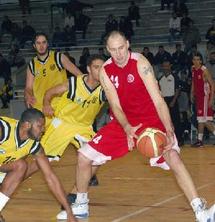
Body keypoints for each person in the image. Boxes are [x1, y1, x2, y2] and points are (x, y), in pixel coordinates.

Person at [57, 31, 215, 221]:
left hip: (151, 120)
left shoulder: (141, 63)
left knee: (173, 157)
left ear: (128, 44)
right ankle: (81, 206)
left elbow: (158, 100)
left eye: (122, 48)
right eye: (114, 50)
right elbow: (115, 105)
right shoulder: (106, 71)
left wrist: (168, 127)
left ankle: (200, 211)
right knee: (83, 156)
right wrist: (126, 127)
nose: (119, 54)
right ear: (108, 50)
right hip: (123, 122)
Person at [25, 55, 106, 208]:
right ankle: (15, 178)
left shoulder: (105, 88)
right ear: (88, 69)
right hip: (63, 124)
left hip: (84, 127)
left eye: (103, 67)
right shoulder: (74, 83)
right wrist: (46, 104)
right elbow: (49, 92)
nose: (100, 71)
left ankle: (75, 194)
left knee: (98, 156)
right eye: (96, 67)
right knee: (39, 162)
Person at [0, 108, 76, 222]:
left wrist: (69, 212)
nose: (43, 129)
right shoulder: (4, 129)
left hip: (2, 168)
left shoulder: (34, 145)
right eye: (40, 126)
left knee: (22, 165)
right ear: (26, 125)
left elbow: (51, 178)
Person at [24, 32, 83, 127]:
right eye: (38, 43)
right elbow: (28, 87)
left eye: (44, 42)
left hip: (59, 106)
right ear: (34, 46)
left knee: (63, 137)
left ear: (47, 44)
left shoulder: (58, 57)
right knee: (42, 139)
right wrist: (28, 95)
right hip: (40, 108)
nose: (41, 46)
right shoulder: (32, 64)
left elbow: (79, 75)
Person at [191, 53, 215, 147]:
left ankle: (200, 140)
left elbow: (212, 84)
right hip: (199, 97)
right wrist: (191, 92)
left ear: (201, 61)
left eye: (198, 59)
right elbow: (194, 82)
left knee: (205, 120)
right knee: (200, 119)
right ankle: (199, 141)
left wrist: (211, 99)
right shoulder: (193, 69)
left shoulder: (204, 70)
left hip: (205, 97)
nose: (196, 61)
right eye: (194, 59)